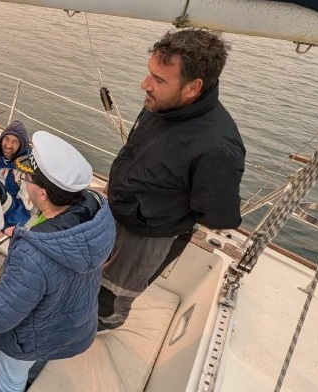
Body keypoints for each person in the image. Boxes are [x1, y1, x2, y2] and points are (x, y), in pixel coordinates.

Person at [0, 131, 115, 392]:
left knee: (12, 380)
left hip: (34, 337)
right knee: (20, 364)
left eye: (26, 178)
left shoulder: (33, 254)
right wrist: (23, 234)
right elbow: (58, 239)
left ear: (42, 193)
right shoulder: (97, 213)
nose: (24, 181)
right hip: (71, 324)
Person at [98, 29, 246, 331]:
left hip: (147, 236)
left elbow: (218, 215)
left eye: (159, 79)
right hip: (119, 211)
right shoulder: (164, 105)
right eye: (149, 73)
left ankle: (100, 325)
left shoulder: (217, 148)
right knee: (94, 273)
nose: (145, 84)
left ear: (193, 87)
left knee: (112, 292)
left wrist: (152, 210)